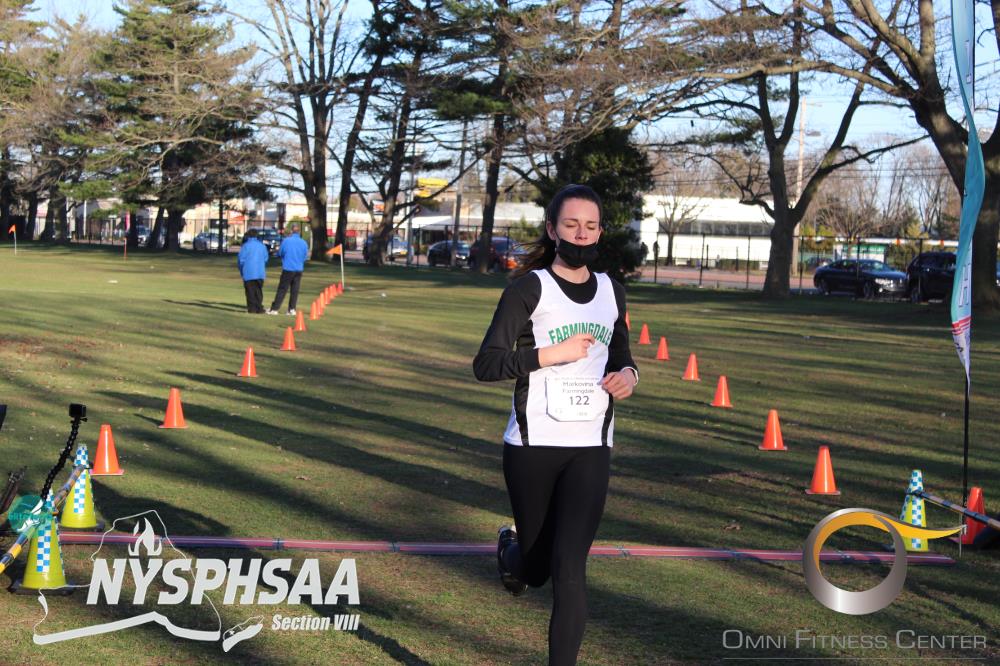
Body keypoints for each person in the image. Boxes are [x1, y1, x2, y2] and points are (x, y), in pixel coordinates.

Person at [472, 184, 638, 666]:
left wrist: (629, 375)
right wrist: (549, 355)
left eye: (590, 226)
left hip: (591, 447)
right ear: (552, 229)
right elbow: (487, 364)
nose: (581, 234)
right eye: (571, 224)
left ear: (600, 232)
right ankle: (512, 554)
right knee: (538, 569)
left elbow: (621, 353)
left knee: (570, 568)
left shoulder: (612, 291)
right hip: (532, 447)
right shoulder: (529, 289)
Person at [266, 223, 309, 315]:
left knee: (282, 289)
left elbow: (280, 253)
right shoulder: (303, 242)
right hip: (299, 269)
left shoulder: (286, 241)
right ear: (299, 232)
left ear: (291, 231)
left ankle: (275, 309)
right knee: (295, 290)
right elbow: (305, 256)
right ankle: (292, 309)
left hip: (288, 268)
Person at [237, 229, 269, 314]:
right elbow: (266, 259)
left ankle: (252, 309)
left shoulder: (245, 246)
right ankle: (259, 308)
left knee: (250, 291)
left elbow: (241, 260)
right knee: (258, 291)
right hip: (260, 272)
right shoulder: (262, 246)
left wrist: (241, 270)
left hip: (248, 272)